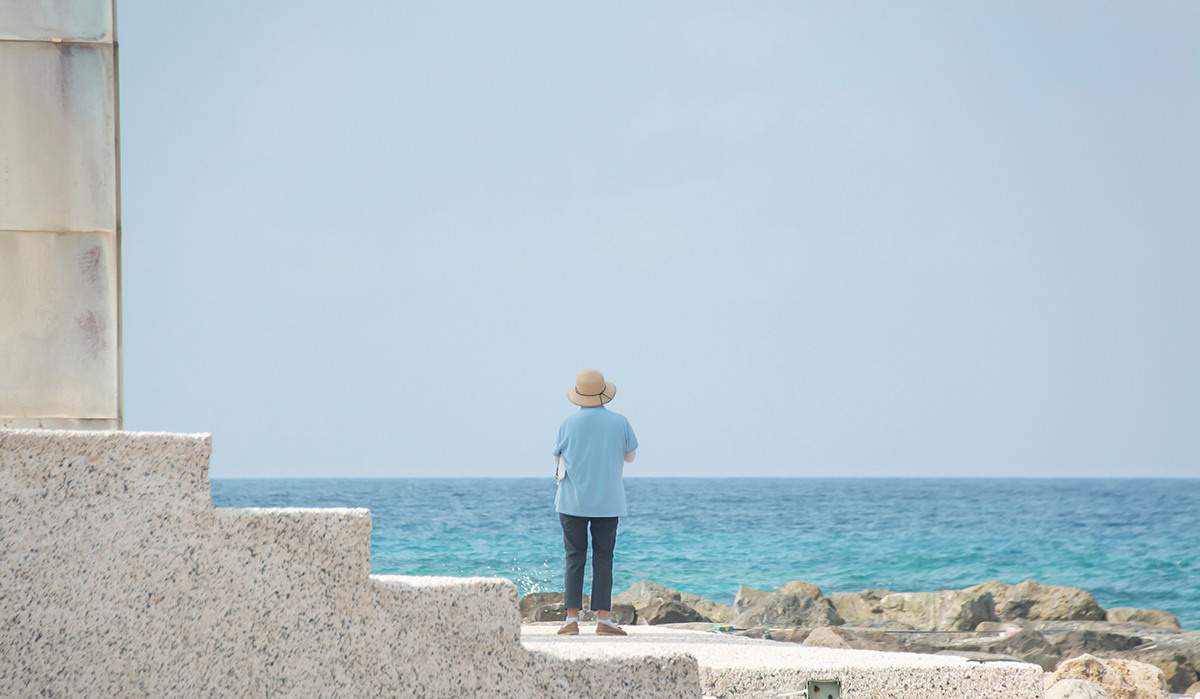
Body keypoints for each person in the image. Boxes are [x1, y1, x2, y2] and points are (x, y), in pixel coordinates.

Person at [552, 368, 638, 636]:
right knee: (604, 558)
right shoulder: (620, 421)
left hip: (571, 500)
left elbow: (557, 456)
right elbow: (630, 456)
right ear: (604, 393)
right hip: (608, 501)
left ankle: (571, 620)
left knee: (574, 557)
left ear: (578, 395)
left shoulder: (567, 422)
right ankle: (603, 620)